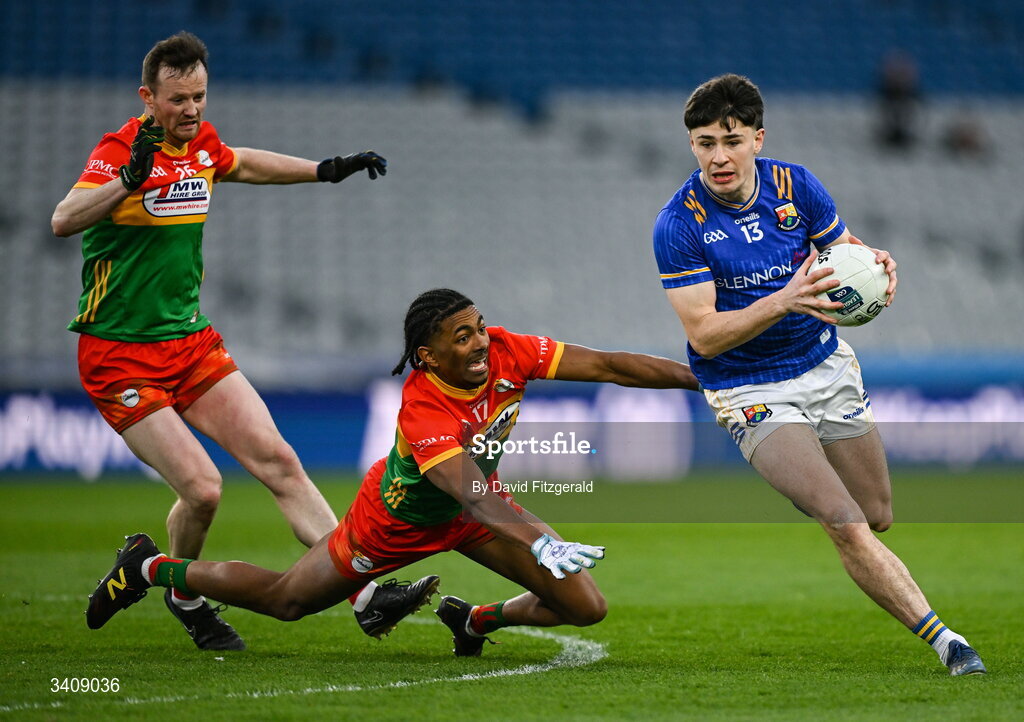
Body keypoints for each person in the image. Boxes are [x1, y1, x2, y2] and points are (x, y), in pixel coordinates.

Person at [53, 31, 434, 651]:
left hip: (190, 342)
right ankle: (181, 591)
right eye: (178, 99)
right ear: (147, 97)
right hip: (119, 355)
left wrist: (325, 170)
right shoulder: (119, 149)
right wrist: (127, 181)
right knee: (203, 491)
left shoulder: (199, 142)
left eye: (199, 96)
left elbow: (241, 161)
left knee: (280, 461)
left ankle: (364, 596)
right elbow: (63, 220)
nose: (192, 110)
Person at [86, 288, 701, 655]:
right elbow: (470, 491)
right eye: (464, 337)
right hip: (394, 525)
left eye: (481, 327)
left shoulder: (511, 350)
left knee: (585, 607)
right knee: (286, 602)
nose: (483, 343)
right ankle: (148, 566)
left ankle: (475, 618)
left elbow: (612, 365)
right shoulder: (423, 403)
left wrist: (702, 378)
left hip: (473, 517)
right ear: (428, 356)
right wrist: (540, 538)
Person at [652, 73, 985, 676]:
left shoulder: (795, 184)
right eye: (704, 144)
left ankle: (830, 497)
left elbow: (838, 251)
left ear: (758, 136)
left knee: (876, 512)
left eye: (730, 139)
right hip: (748, 387)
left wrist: (872, 262)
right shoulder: (679, 224)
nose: (718, 156)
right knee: (846, 522)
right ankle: (948, 643)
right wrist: (784, 298)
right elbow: (703, 333)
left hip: (825, 366)